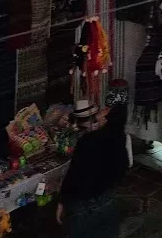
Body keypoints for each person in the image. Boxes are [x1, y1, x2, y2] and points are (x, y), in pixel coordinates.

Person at [57, 101, 129, 237]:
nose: (103, 110)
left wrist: (62, 201)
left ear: (106, 119)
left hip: (85, 204)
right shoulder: (119, 136)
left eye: (107, 109)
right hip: (107, 199)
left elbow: (74, 175)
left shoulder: (89, 140)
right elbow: (121, 170)